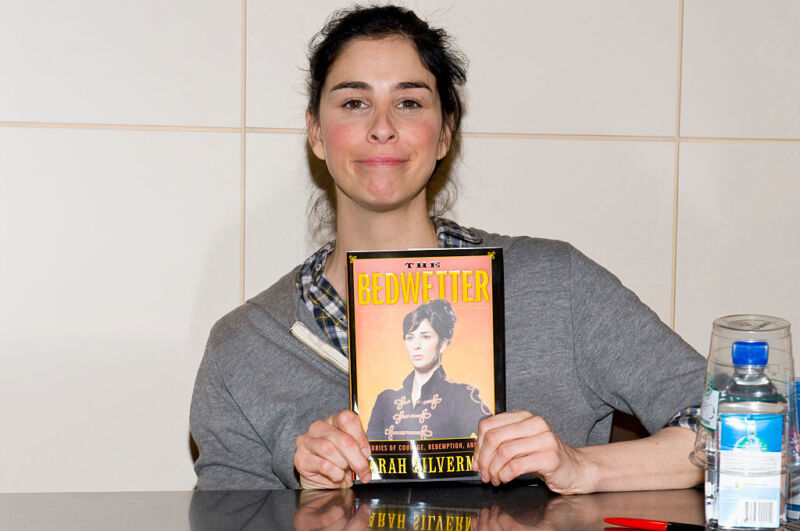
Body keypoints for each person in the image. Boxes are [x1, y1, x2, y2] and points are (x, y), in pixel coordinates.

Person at [190, 5, 705, 493]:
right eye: (354, 102)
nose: (382, 126)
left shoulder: (556, 285)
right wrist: (306, 499)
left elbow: (736, 425)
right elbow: (230, 516)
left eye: (409, 102)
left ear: (445, 136)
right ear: (316, 133)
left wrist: (580, 465)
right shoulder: (242, 349)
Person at [365, 299, 492, 441]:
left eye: (426, 337)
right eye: (410, 337)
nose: (416, 345)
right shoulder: (385, 400)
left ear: (443, 344)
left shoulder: (461, 396)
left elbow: (493, 439)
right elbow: (369, 456)